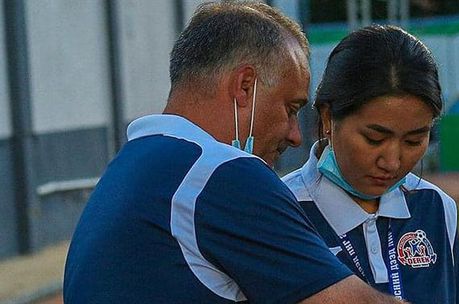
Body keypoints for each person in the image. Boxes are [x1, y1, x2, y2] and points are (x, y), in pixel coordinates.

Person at [63, 2, 405, 303]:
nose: (295, 135)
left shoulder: (129, 166)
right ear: (245, 86)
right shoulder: (221, 173)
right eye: (290, 108)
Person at [282, 25, 459, 304]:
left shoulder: (435, 207)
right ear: (328, 118)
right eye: (374, 138)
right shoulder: (281, 210)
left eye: (413, 141)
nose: (392, 162)